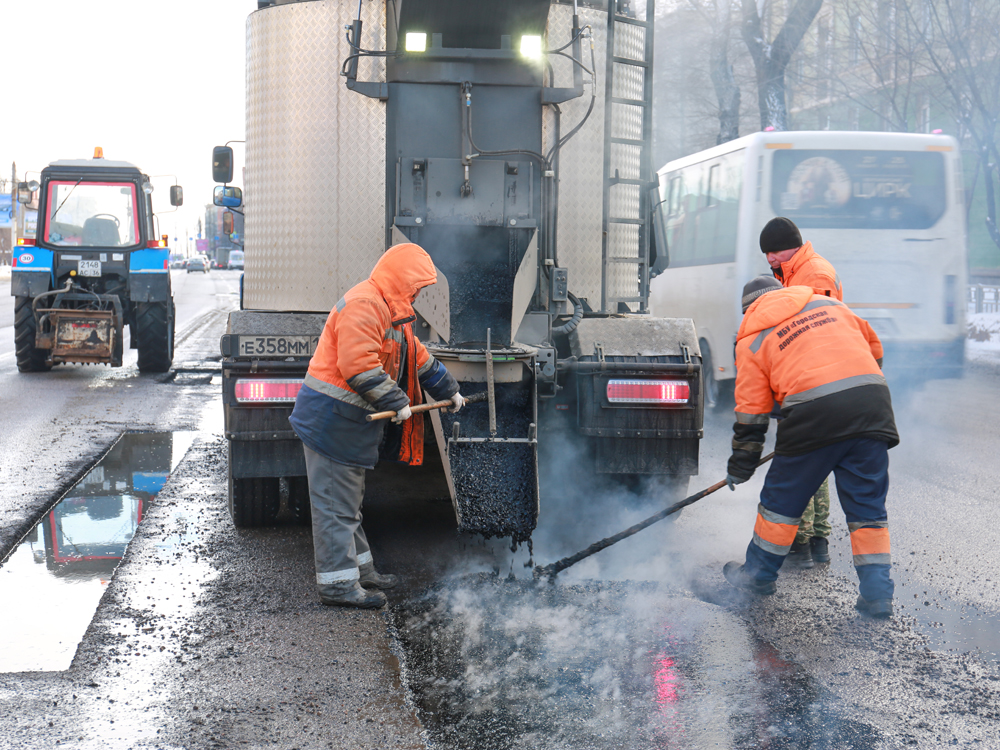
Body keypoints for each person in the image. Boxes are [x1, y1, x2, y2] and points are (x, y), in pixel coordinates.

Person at [289, 243, 464, 609]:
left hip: (344, 422)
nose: (419, 293)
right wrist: (396, 401)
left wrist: (451, 390)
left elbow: (418, 358)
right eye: (417, 285)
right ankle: (338, 586)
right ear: (402, 280)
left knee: (347, 504)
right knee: (336, 507)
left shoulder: (392, 312)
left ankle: (362, 573)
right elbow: (358, 366)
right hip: (330, 422)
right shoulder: (366, 304)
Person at [722, 276, 899, 619]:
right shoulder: (830, 305)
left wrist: (741, 465)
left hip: (813, 416)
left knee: (781, 502)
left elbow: (752, 414)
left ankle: (757, 578)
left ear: (748, 309)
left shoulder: (752, 339)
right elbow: (873, 351)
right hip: (871, 406)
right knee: (868, 511)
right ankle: (878, 596)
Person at [759, 217, 843, 568]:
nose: (770, 260)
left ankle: (803, 541)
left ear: (792, 246)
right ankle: (816, 541)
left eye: (774, 252)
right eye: (766, 254)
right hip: (809, 378)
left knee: (799, 460)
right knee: (814, 461)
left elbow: (816, 331)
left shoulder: (815, 275)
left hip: (814, 380)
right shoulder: (795, 272)